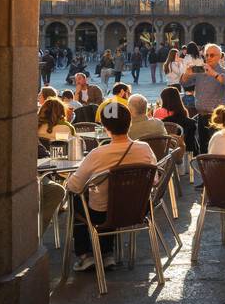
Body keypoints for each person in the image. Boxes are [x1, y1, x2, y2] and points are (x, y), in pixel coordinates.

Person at [63, 98, 157, 272]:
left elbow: (74, 186)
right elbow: (155, 180)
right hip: (138, 209)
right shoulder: (145, 149)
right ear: (129, 123)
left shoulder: (97, 154)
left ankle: (86, 255)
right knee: (108, 200)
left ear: (105, 128)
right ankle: (107, 254)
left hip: (103, 214)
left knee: (79, 200)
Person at [180, 43, 225, 151]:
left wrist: (215, 75)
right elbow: (185, 84)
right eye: (207, 55)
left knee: (216, 148)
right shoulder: (200, 70)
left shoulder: (223, 72)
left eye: (212, 55)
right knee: (203, 148)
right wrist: (186, 74)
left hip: (217, 117)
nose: (208, 58)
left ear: (220, 56)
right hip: (201, 115)